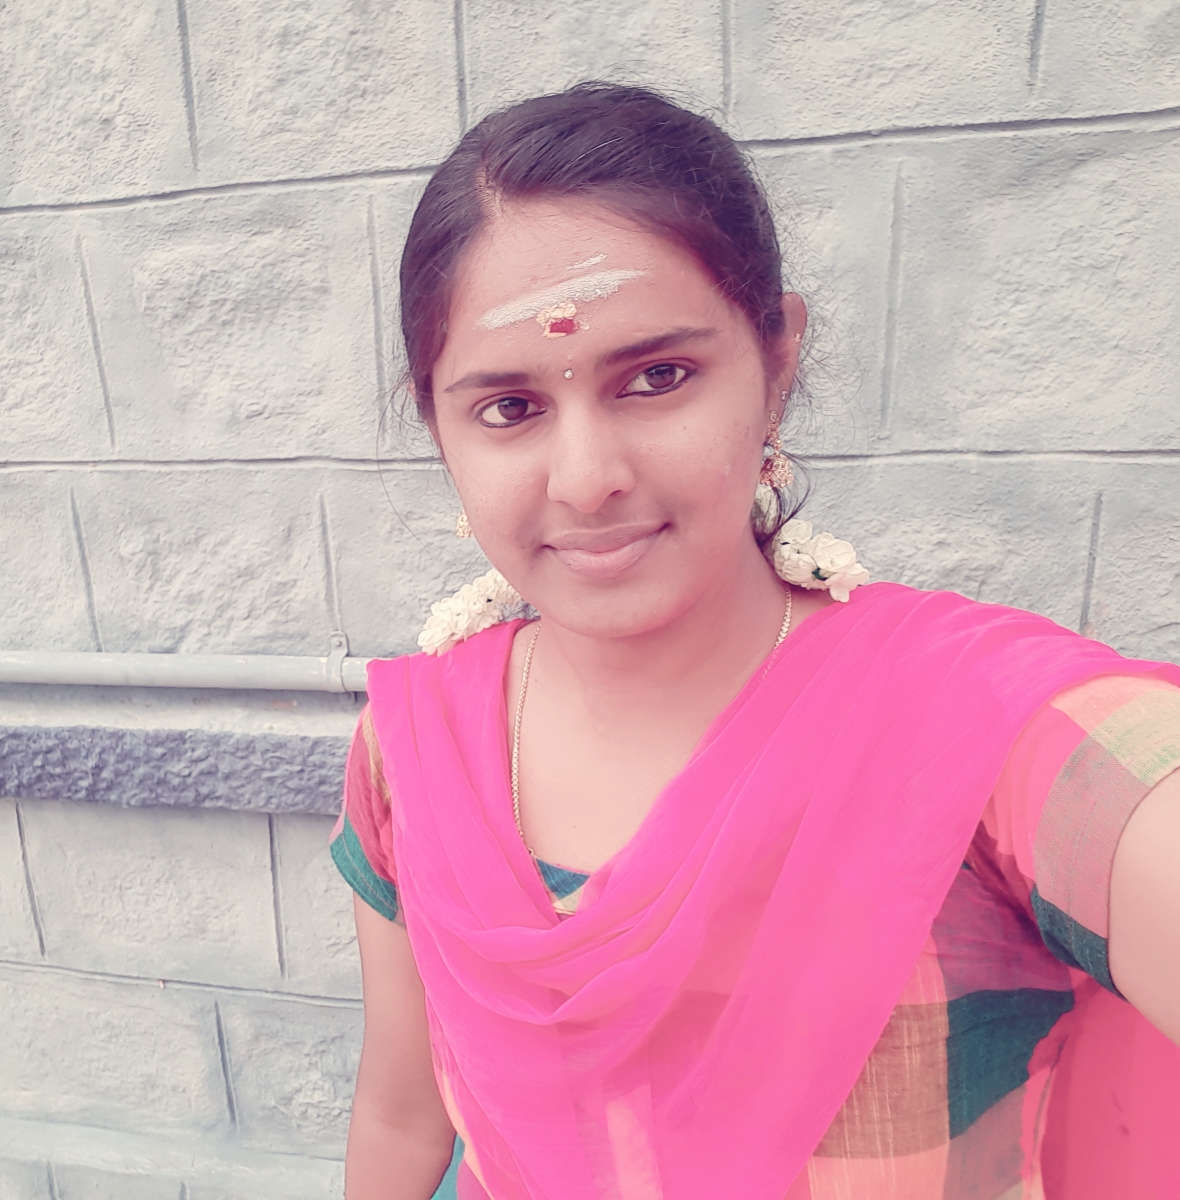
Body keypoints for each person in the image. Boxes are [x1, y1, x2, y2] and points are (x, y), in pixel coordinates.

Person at [329, 83, 1180, 1199]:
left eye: (658, 378)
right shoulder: (411, 750)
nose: (587, 479)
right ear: (439, 426)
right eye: (508, 409)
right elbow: (402, 1120)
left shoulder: (975, 729)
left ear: (776, 365)